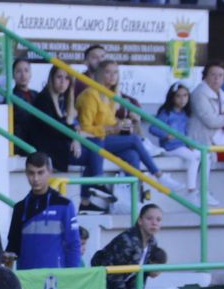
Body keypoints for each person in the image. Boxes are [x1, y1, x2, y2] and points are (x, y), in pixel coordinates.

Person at [78, 59, 161, 191]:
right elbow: (85, 128)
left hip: (106, 138)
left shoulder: (111, 95)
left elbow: (110, 123)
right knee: (134, 140)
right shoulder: (91, 95)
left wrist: (122, 125)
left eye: (115, 73)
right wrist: (113, 128)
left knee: (132, 154)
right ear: (100, 74)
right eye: (108, 72)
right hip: (92, 141)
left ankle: (133, 196)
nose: (113, 76)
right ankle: (158, 174)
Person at [5, 152, 79, 271]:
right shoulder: (20, 208)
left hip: (56, 279)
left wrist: (73, 276)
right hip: (28, 279)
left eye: (40, 172)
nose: (35, 178)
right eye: (31, 173)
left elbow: (73, 245)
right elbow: (12, 248)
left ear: (49, 172)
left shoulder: (65, 205)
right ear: (26, 173)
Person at [150, 80, 204, 198]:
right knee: (194, 158)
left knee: (202, 154)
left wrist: (189, 143)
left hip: (182, 146)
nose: (182, 99)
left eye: (185, 96)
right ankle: (191, 189)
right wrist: (165, 134)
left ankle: (202, 188)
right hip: (170, 147)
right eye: (178, 96)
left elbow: (185, 132)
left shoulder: (185, 113)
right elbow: (153, 128)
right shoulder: (166, 113)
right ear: (172, 97)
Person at [24, 66, 78, 172]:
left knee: (96, 146)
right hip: (49, 150)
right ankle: (96, 184)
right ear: (51, 78)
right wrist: (74, 137)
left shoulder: (65, 100)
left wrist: (75, 138)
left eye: (67, 78)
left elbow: (72, 127)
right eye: (59, 77)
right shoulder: (43, 99)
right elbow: (54, 130)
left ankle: (93, 185)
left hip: (62, 147)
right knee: (94, 150)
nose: (63, 82)